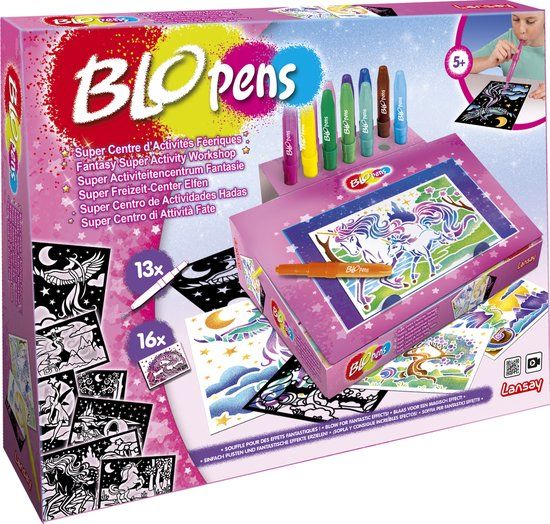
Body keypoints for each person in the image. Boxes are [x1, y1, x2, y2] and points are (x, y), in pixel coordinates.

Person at [470, 12, 545, 99]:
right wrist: (488, 61)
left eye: (530, 21)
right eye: (516, 19)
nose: (521, 30)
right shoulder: (508, 39)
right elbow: (462, 66)